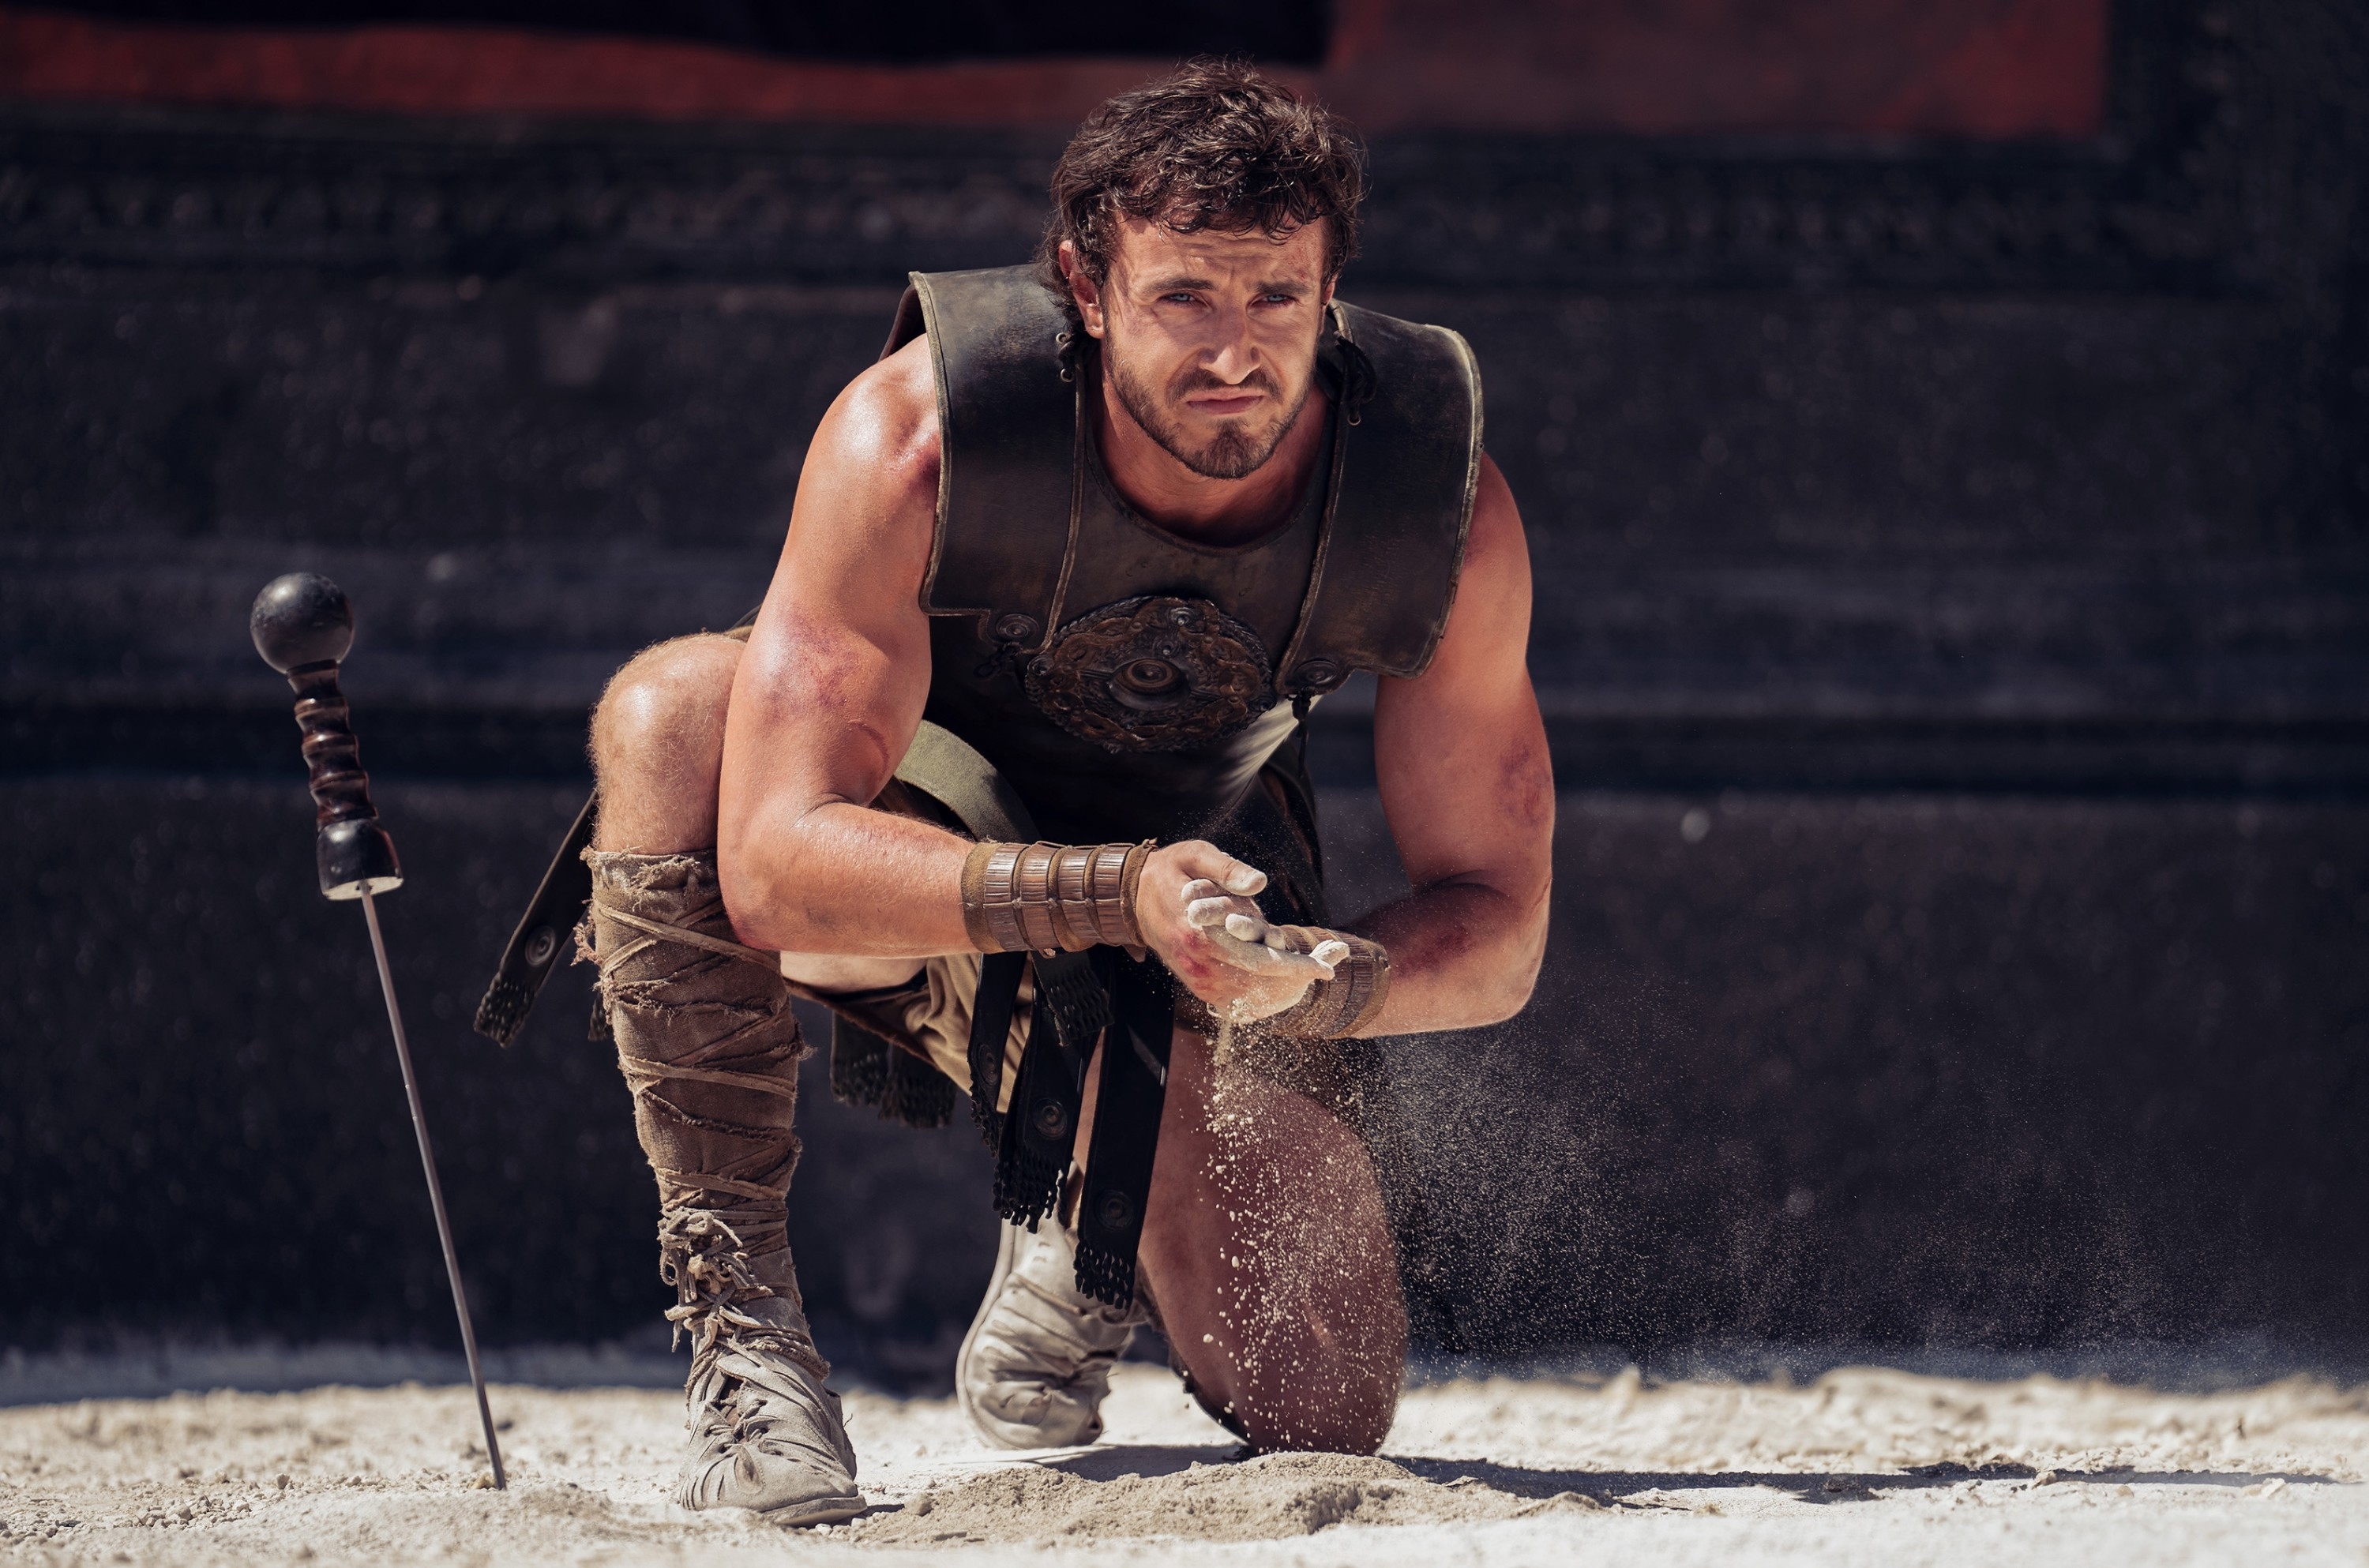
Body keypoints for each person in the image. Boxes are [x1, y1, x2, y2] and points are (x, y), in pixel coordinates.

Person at [575, 58, 1552, 1525]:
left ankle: (1084, 1174)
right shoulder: (917, 439)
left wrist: (1314, 981)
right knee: (673, 717)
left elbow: (1501, 930)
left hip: (1203, 934)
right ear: (1087, 288)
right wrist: (1114, 890)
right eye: (1184, 298)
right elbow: (773, 864)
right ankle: (749, 1346)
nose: (1237, 351)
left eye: (1278, 297)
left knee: (1324, 1394)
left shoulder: (1435, 505)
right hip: (914, 881)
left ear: (1333, 289)